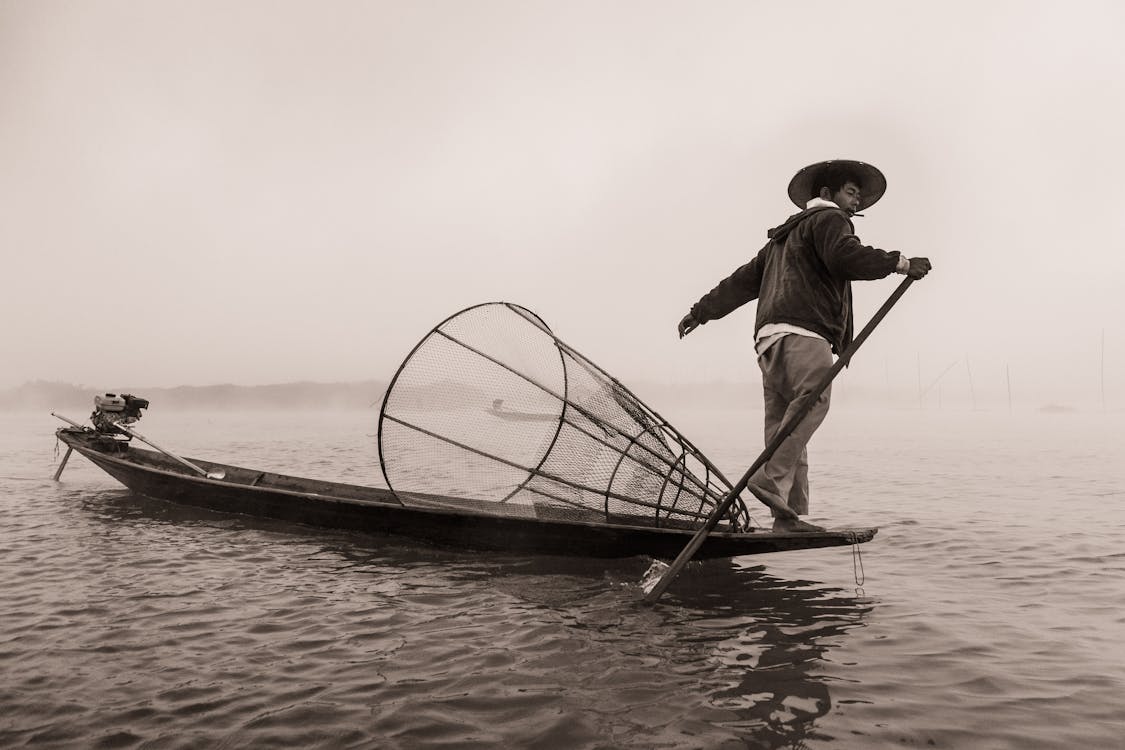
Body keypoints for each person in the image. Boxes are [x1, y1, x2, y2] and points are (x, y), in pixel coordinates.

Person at [676, 159, 931, 532]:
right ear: (826, 195)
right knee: (814, 400)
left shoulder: (782, 238)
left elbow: (742, 282)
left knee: (785, 425)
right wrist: (901, 263)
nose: (855, 203)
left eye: (859, 196)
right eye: (850, 193)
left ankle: (785, 514)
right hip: (804, 332)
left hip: (768, 343)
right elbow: (845, 257)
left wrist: (700, 312)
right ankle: (769, 478)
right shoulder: (829, 220)